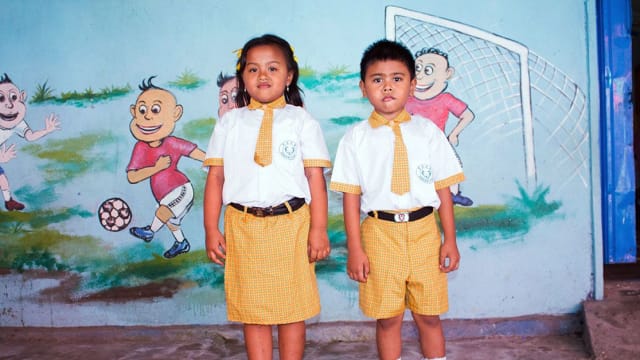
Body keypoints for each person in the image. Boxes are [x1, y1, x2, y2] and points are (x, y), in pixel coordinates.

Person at [330, 39, 464, 360]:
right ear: (364, 88)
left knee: (428, 315)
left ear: (412, 85)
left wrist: (450, 240)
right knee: (388, 318)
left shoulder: (428, 132)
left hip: (424, 234)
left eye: (397, 78)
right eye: (378, 80)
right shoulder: (356, 138)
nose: (387, 87)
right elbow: (351, 197)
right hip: (379, 235)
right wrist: (356, 248)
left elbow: (444, 189)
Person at [203, 34, 331, 360]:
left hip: (292, 225)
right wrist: (210, 228)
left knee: (292, 307)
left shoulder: (302, 121)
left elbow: (315, 178)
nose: (263, 76)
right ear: (242, 77)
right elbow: (216, 178)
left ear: (288, 76)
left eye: (273, 68)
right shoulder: (229, 123)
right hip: (243, 226)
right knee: (252, 308)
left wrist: (318, 229)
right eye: (253, 69)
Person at [127, 76, 205, 259]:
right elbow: (132, 176)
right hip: (162, 194)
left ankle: (149, 231)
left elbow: (193, 152)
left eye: (155, 110)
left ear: (175, 114)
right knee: (171, 221)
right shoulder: (140, 147)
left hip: (181, 189)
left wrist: (214, 161)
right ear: (134, 112)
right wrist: (156, 168)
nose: (147, 116)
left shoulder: (171, 143)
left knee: (163, 212)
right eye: (142, 110)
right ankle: (181, 243)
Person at [405, 47, 475, 206]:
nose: (421, 75)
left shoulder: (445, 99)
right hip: (413, 146)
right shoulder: (407, 100)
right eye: (417, 69)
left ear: (447, 74)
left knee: (452, 166)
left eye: (428, 70)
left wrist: (454, 134)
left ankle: (453, 194)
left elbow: (468, 115)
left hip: (439, 144)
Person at [0, 73, 61, 211]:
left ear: (22, 97)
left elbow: (30, 136)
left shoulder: (18, 123)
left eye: (13, 97)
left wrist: (47, 130)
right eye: (1, 98)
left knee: (2, 179)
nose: (9, 105)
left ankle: (9, 202)